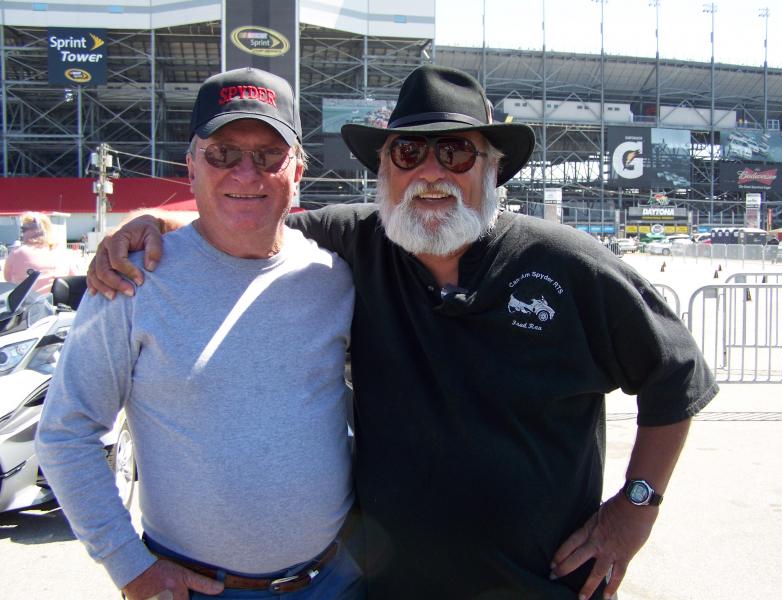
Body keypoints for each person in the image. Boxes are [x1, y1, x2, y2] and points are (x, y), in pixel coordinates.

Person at [88, 65, 718, 600]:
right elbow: (247, 220)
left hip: (542, 585)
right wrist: (150, 229)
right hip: (387, 586)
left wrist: (636, 507)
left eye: (456, 153)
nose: (430, 174)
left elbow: (677, 374)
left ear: (492, 168)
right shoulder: (357, 243)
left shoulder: (567, 264)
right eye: (409, 154)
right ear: (384, 170)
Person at [36, 67, 363, 600]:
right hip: (198, 589)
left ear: (298, 170)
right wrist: (130, 568)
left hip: (335, 579)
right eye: (223, 154)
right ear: (191, 167)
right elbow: (66, 433)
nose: (246, 174)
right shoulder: (131, 279)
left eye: (269, 156)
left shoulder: (333, 278)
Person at [3, 211, 81, 293]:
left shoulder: (16, 253)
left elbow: (7, 278)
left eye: (23, 230)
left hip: (24, 299)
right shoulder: (62, 253)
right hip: (54, 299)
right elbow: (74, 277)